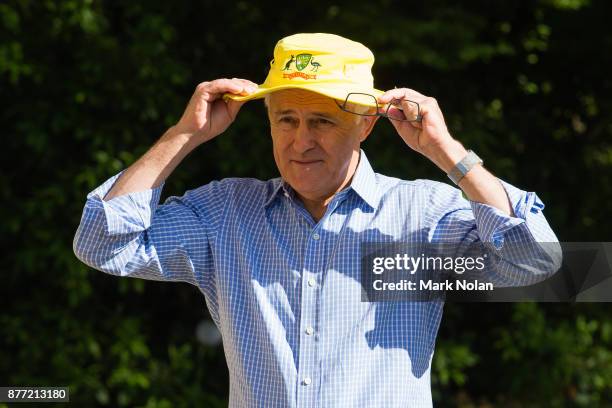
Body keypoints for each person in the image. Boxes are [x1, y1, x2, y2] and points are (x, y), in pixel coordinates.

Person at [73, 33, 561, 407]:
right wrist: (184, 135)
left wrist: (448, 153)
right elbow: (101, 242)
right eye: (286, 119)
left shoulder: (421, 218)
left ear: (366, 125)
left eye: (322, 122)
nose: (300, 140)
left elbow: (535, 260)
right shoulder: (226, 215)